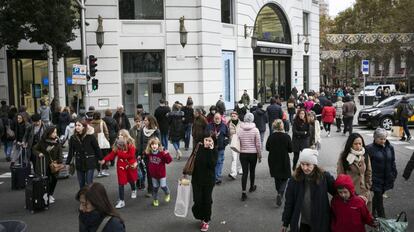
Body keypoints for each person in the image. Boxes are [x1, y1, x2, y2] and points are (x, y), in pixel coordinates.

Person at [281, 149, 335, 232]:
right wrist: (285, 222)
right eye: (302, 164)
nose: (305, 168)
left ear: (314, 164)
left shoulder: (323, 176)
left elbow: (338, 191)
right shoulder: (294, 179)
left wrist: (355, 196)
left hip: (320, 221)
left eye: (308, 164)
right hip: (301, 222)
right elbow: (289, 202)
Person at [100, 129, 138, 209]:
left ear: (125, 136)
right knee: (121, 183)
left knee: (131, 180)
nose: (119, 136)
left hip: (129, 166)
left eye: (121, 135)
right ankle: (121, 200)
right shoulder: (117, 145)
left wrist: (120, 153)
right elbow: (112, 154)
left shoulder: (130, 144)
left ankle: (133, 189)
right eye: (119, 134)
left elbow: (131, 155)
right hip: (121, 167)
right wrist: (105, 160)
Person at [365, 128, 397, 218]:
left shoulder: (390, 147)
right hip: (375, 178)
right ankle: (383, 219)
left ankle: (372, 212)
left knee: (378, 196)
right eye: (380, 138)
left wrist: (394, 172)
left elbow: (392, 161)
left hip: (386, 177)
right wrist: (367, 178)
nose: (383, 140)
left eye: (384, 138)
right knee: (379, 198)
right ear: (375, 138)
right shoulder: (369, 148)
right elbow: (366, 165)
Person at [190, 131, 218, 232]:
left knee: (207, 200)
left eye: (209, 140)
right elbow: (191, 161)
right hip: (196, 179)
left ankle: (206, 220)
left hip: (208, 180)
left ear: (213, 141)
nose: (207, 142)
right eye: (206, 140)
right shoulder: (198, 148)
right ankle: (201, 215)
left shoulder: (214, 151)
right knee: (197, 200)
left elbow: (213, 165)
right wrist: (185, 173)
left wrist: (210, 150)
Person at [337, 133, 373, 211]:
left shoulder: (365, 155)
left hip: (364, 191)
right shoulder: (344, 156)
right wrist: (345, 191)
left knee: (365, 215)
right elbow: (340, 174)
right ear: (351, 144)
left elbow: (369, 172)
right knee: (353, 215)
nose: (358, 146)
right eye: (355, 144)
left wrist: (368, 185)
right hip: (350, 192)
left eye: (360, 144)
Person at [67, 119, 102, 189]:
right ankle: (83, 198)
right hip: (79, 162)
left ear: (84, 127)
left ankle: (90, 198)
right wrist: (67, 163)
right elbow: (71, 151)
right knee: (81, 183)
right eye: (76, 125)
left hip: (90, 162)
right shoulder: (73, 138)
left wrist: (101, 158)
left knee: (89, 182)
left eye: (79, 125)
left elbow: (97, 148)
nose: (77, 127)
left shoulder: (90, 136)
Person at [32, 125, 63, 204]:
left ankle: (50, 194)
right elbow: (34, 149)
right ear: (49, 133)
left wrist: (60, 160)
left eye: (56, 132)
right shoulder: (42, 141)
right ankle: (47, 195)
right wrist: (39, 153)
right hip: (44, 163)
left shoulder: (57, 140)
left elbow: (60, 150)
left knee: (54, 179)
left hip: (54, 164)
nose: (55, 134)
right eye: (53, 132)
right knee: (46, 180)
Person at [266, 119, 292, 207]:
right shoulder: (286, 136)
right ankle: (281, 193)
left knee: (277, 177)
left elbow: (267, 148)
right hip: (283, 158)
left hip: (273, 158)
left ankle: (279, 193)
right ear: (282, 126)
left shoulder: (271, 136)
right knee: (285, 177)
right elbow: (290, 149)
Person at [238, 113, 261, 201]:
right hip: (253, 153)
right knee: (252, 171)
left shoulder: (240, 129)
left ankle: (243, 192)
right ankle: (251, 186)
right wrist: (259, 155)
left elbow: (237, 141)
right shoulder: (255, 130)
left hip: (243, 153)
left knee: (244, 172)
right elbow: (258, 144)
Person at [144, 137, 172, 207]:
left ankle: (167, 193)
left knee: (163, 186)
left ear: (158, 145)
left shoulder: (162, 153)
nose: (154, 146)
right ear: (150, 146)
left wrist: (166, 154)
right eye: (152, 144)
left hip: (161, 174)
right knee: (155, 188)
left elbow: (169, 161)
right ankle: (155, 199)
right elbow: (145, 156)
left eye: (155, 144)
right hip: (153, 175)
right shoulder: (149, 153)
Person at [140, 115, 161, 197]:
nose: (144, 122)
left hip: (155, 155)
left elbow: (159, 143)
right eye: (144, 120)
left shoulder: (156, 131)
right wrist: (140, 153)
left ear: (150, 121)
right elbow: (141, 142)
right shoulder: (143, 130)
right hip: (146, 155)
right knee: (149, 172)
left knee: (155, 172)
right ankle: (150, 190)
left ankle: (156, 185)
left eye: (145, 120)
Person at [206, 113, 229, 185]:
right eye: (215, 118)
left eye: (218, 118)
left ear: (220, 119)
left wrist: (224, 143)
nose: (217, 120)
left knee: (219, 161)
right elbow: (205, 135)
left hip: (220, 147)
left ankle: (217, 177)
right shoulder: (209, 126)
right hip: (211, 147)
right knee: (211, 162)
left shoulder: (224, 126)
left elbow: (228, 136)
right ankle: (212, 176)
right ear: (213, 118)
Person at [90, 112, 110, 178]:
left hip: (93, 142)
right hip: (102, 142)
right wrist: (107, 139)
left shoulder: (91, 123)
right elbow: (106, 132)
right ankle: (103, 170)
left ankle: (99, 171)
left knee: (96, 157)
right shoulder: (102, 122)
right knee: (104, 156)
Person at [227, 111, 242, 180]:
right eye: (232, 116)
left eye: (234, 116)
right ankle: (233, 173)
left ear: (237, 116)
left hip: (240, 142)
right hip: (232, 143)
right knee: (234, 158)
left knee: (241, 157)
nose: (233, 117)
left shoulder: (241, 124)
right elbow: (227, 133)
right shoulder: (228, 124)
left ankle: (241, 169)